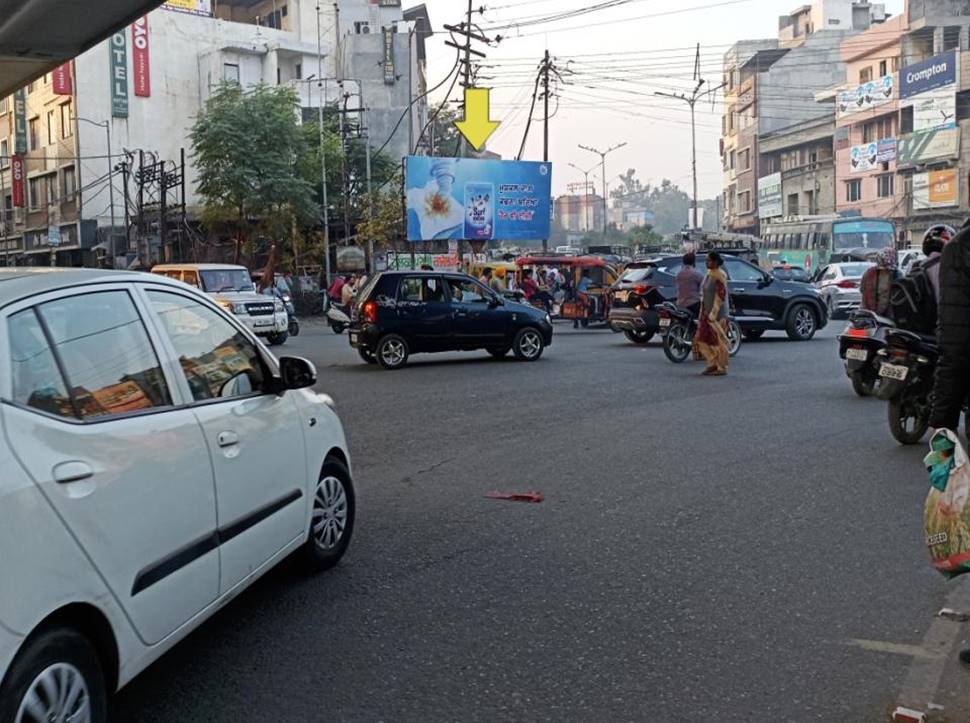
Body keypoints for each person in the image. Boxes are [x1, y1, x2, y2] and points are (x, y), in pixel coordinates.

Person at [695, 251, 731, 376]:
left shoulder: (720, 275)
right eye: (706, 260)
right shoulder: (709, 273)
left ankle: (721, 367)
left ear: (715, 262)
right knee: (701, 339)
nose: (706, 263)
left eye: (709, 260)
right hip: (706, 312)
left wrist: (714, 313)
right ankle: (711, 363)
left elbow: (721, 296)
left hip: (718, 315)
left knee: (719, 341)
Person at [859, 248, 898, 316]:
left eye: (888, 271)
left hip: (891, 314)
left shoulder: (898, 275)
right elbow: (863, 290)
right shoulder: (869, 274)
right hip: (869, 312)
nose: (885, 272)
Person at [676, 252, 704, 318]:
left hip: (680, 303)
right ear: (694, 261)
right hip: (693, 304)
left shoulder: (679, 274)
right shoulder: (696, 274)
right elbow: (705, 285)